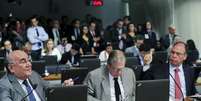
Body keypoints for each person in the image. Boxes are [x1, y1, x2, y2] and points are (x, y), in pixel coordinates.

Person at [0, 50, 73, 101]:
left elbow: (50, 87)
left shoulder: (33, 75)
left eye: (29, 60)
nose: (29, 64)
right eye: (23, 61)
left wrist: (63, 85)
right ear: (11, 68)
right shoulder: (4, 85)